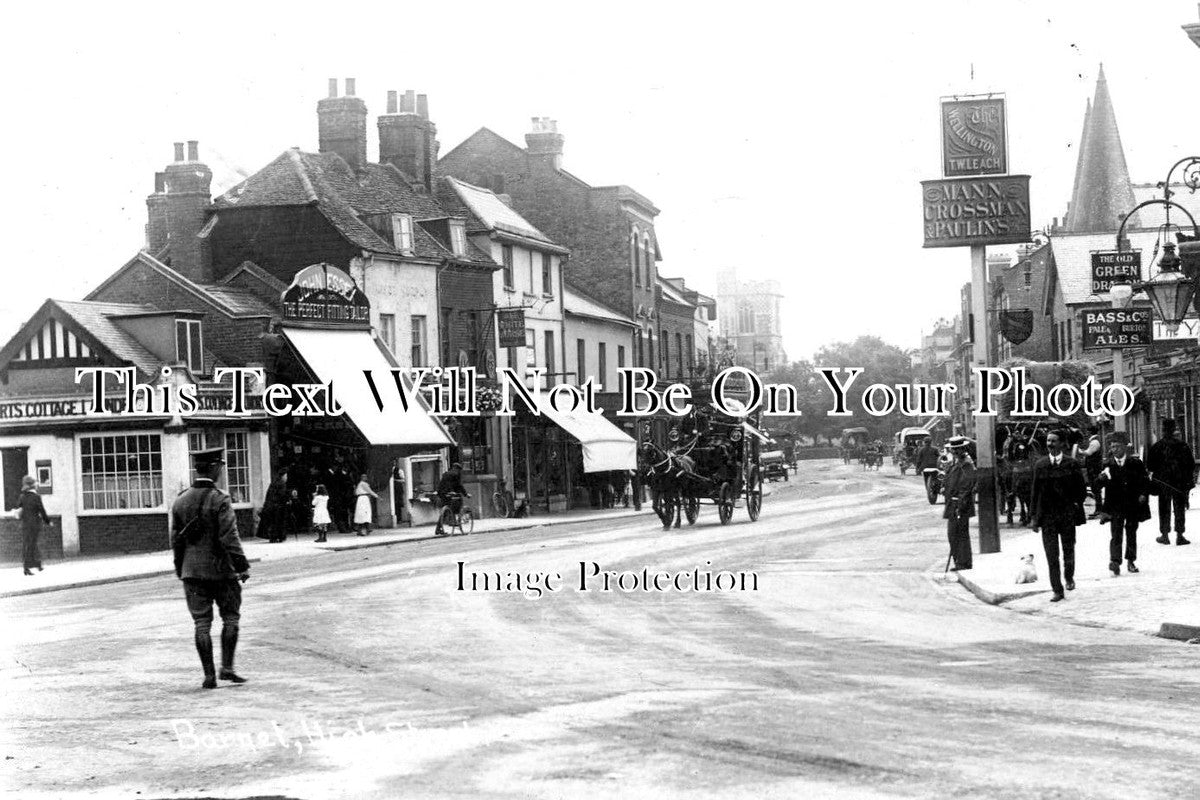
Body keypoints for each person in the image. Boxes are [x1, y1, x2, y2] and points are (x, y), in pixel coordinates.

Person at [170, 447, 250, 689]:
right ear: (215, 467)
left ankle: (209, 675)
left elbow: (175, 540)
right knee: (231, 618)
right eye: (221, 467)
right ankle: (227, 667)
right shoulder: (220, 498)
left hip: (192, 571)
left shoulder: (180, 500)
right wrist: (242, 566)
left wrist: (180, 568)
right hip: (221, 570)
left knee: (201, 624)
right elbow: (229, 537)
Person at [1030, 429, 1087, 602]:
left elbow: (1081, 490)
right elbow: (1035, 493)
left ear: (1062, 443)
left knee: (1068, 551)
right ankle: (1057, 589)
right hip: (1047, 518)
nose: (1050, 444)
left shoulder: (1072, 464)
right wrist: (1034, 518)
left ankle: (1069, 576)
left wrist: (1074, 505)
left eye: (1053, 441)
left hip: (1067, 516)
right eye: (1048, 441)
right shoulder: (1041, 465)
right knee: (1051, 554)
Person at [1096, 432, 1148, 576]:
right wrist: (1101, 479)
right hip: (1115, 505)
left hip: (1132, 503)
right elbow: (1098, 485)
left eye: (1117, 446)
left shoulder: (1135, 463)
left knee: (1131, 532)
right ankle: (1115, 561)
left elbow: (1144, 481)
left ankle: (1131, 560)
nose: (1114, 450)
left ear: (1125, 447)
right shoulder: (1107, 464)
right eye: (1112, 447)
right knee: (1116, 533)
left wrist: (1143, 494)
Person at [1147, 418, 1194, 546]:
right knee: (1179, 508)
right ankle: (1180, 535)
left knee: (1164, 508)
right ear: (1174, 430)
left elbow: (1150, 466)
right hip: (1179, 483)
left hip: (1163, 483)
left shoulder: (1157, 446)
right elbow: (1190, 465)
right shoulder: (1183, 446)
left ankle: (1165, 535)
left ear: (1162, 430)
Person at [942, 436, 976, 571]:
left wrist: (960, 505)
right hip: (952, 504)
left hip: (960, 505)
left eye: (958, 449)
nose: (955, 452)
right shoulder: (954, 464)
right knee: (952, 535)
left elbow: (966, 486)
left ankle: (963, 562)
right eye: (954, 449)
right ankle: (958, 561)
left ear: (962, 450)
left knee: (960, 535)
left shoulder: (966, 465)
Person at [17, 476, 52, 576]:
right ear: (32, 485)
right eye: (35, 483)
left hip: (25, 525)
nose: (37, 484)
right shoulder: (36, 497)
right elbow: (42, 510)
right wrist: (48, 521)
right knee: (32, 545)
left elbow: (19, 507)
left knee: (28, 545)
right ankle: (32, 566)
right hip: (34, 525)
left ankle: (32, 565)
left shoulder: (22, 496)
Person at [1073, 426, 1105, 520]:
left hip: (1094, 469)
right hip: (1093, 468)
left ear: (1090, 432)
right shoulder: (1095, 440)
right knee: (1095, 489)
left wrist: (1078, 450)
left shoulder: (1094, 442)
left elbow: (1088, 453)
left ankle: (1099, 510)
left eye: (1087, 432)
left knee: (1096, 488)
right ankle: (1098, 509)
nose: (1086, 434)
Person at [434, 463, 467, 536]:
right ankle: (452, 519)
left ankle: (439, 528)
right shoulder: (455, 475)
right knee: (457, 502)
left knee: (445, 510)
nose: (458, 472)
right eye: (458, 470)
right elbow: (459, 485)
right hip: (448, 492)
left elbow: (443, 484)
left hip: (442, 493)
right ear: (456, 469)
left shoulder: (445, 474)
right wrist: (465, 494)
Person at [258, 468, 289, 543]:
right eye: (286, 476)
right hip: (278, 507)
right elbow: (282, 495)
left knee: (273, 523)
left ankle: (273, 537)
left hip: (271, 506)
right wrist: (287, 500)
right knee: (279, 522)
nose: (286, 478)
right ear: (283, 476)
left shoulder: (273, 484)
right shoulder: (282, 484)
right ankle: (279, 536)